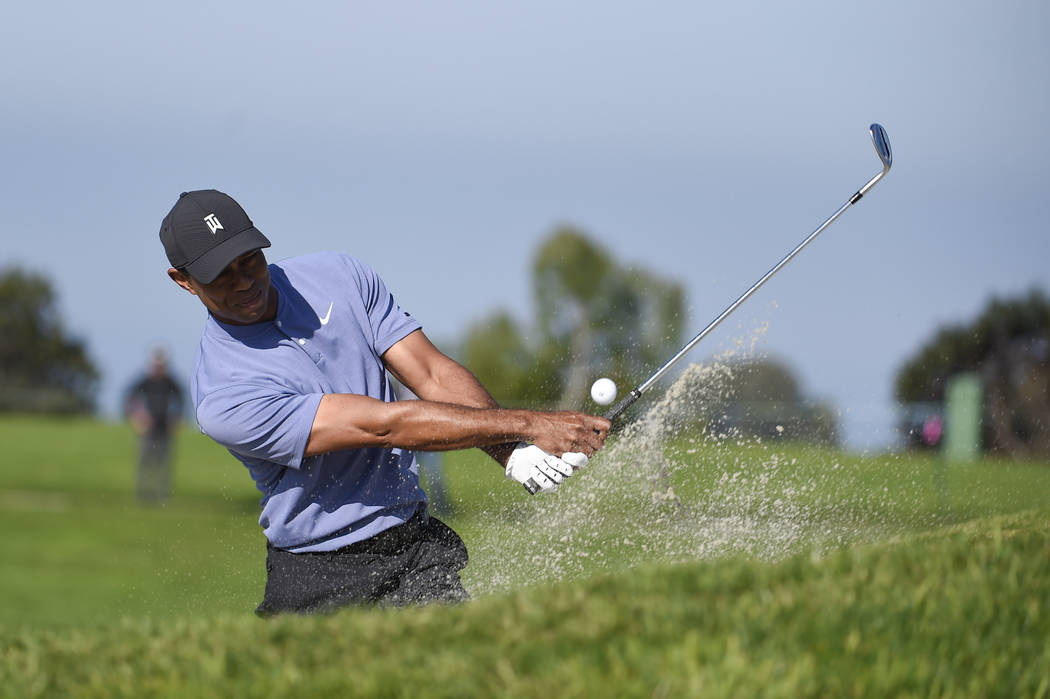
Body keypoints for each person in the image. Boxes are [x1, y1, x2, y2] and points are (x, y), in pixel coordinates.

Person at [159, 189, 610, 615]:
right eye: (222, 274)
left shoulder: (337, 277)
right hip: (318, 577)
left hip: (413, 547)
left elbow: (431, 373)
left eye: (250, 261)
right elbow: (383, 427)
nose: (245, 282)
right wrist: (530, 424)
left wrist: (512, 453)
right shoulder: (224, 395)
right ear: (183, 281)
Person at [124, 348, 185, 503]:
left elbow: (181, 401)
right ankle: (144, 494)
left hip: (164, 429)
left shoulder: (171, 382)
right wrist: (137, 417)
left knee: (164, 463)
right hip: (147, 430)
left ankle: (162, 494)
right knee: (145, 462)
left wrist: (176, 419)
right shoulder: (144, 382)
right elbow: (129, 399)